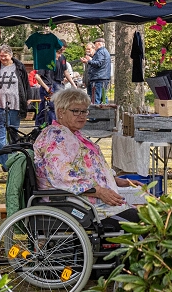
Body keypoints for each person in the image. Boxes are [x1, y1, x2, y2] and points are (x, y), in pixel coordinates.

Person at [33, 88, 142, 228]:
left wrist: (116, 180)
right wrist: (100, 191)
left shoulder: (71, 134)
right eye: (76, 111)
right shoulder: (55, 138)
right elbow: (63, 176)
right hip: (76, 205)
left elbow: (87, 168)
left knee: (146, 215)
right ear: (60, 112)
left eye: (84, 111)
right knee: (141, 220)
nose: (81, 116)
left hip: (89, 201)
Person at [0, 44, 30, 144]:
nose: (3, 58)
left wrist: (29, 97)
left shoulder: (19, 66)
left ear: (11, 55)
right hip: (0, 104)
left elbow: (26, 82)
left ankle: (13, 150)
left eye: (5, 56)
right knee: (0, 127)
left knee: (13, 129)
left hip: (16, 104)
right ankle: (1, 150)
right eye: (1, 56)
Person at [86, 38, 111, 104]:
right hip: (103, 78)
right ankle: (106, 109)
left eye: (95, 44)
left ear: (99, 44)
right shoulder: (105, 51)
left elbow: (99, 63)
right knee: (104, 98)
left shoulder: (100, 52)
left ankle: (96, 110)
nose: (94, 46)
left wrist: (89, 61)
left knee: (95, 99)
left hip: (98, 79)